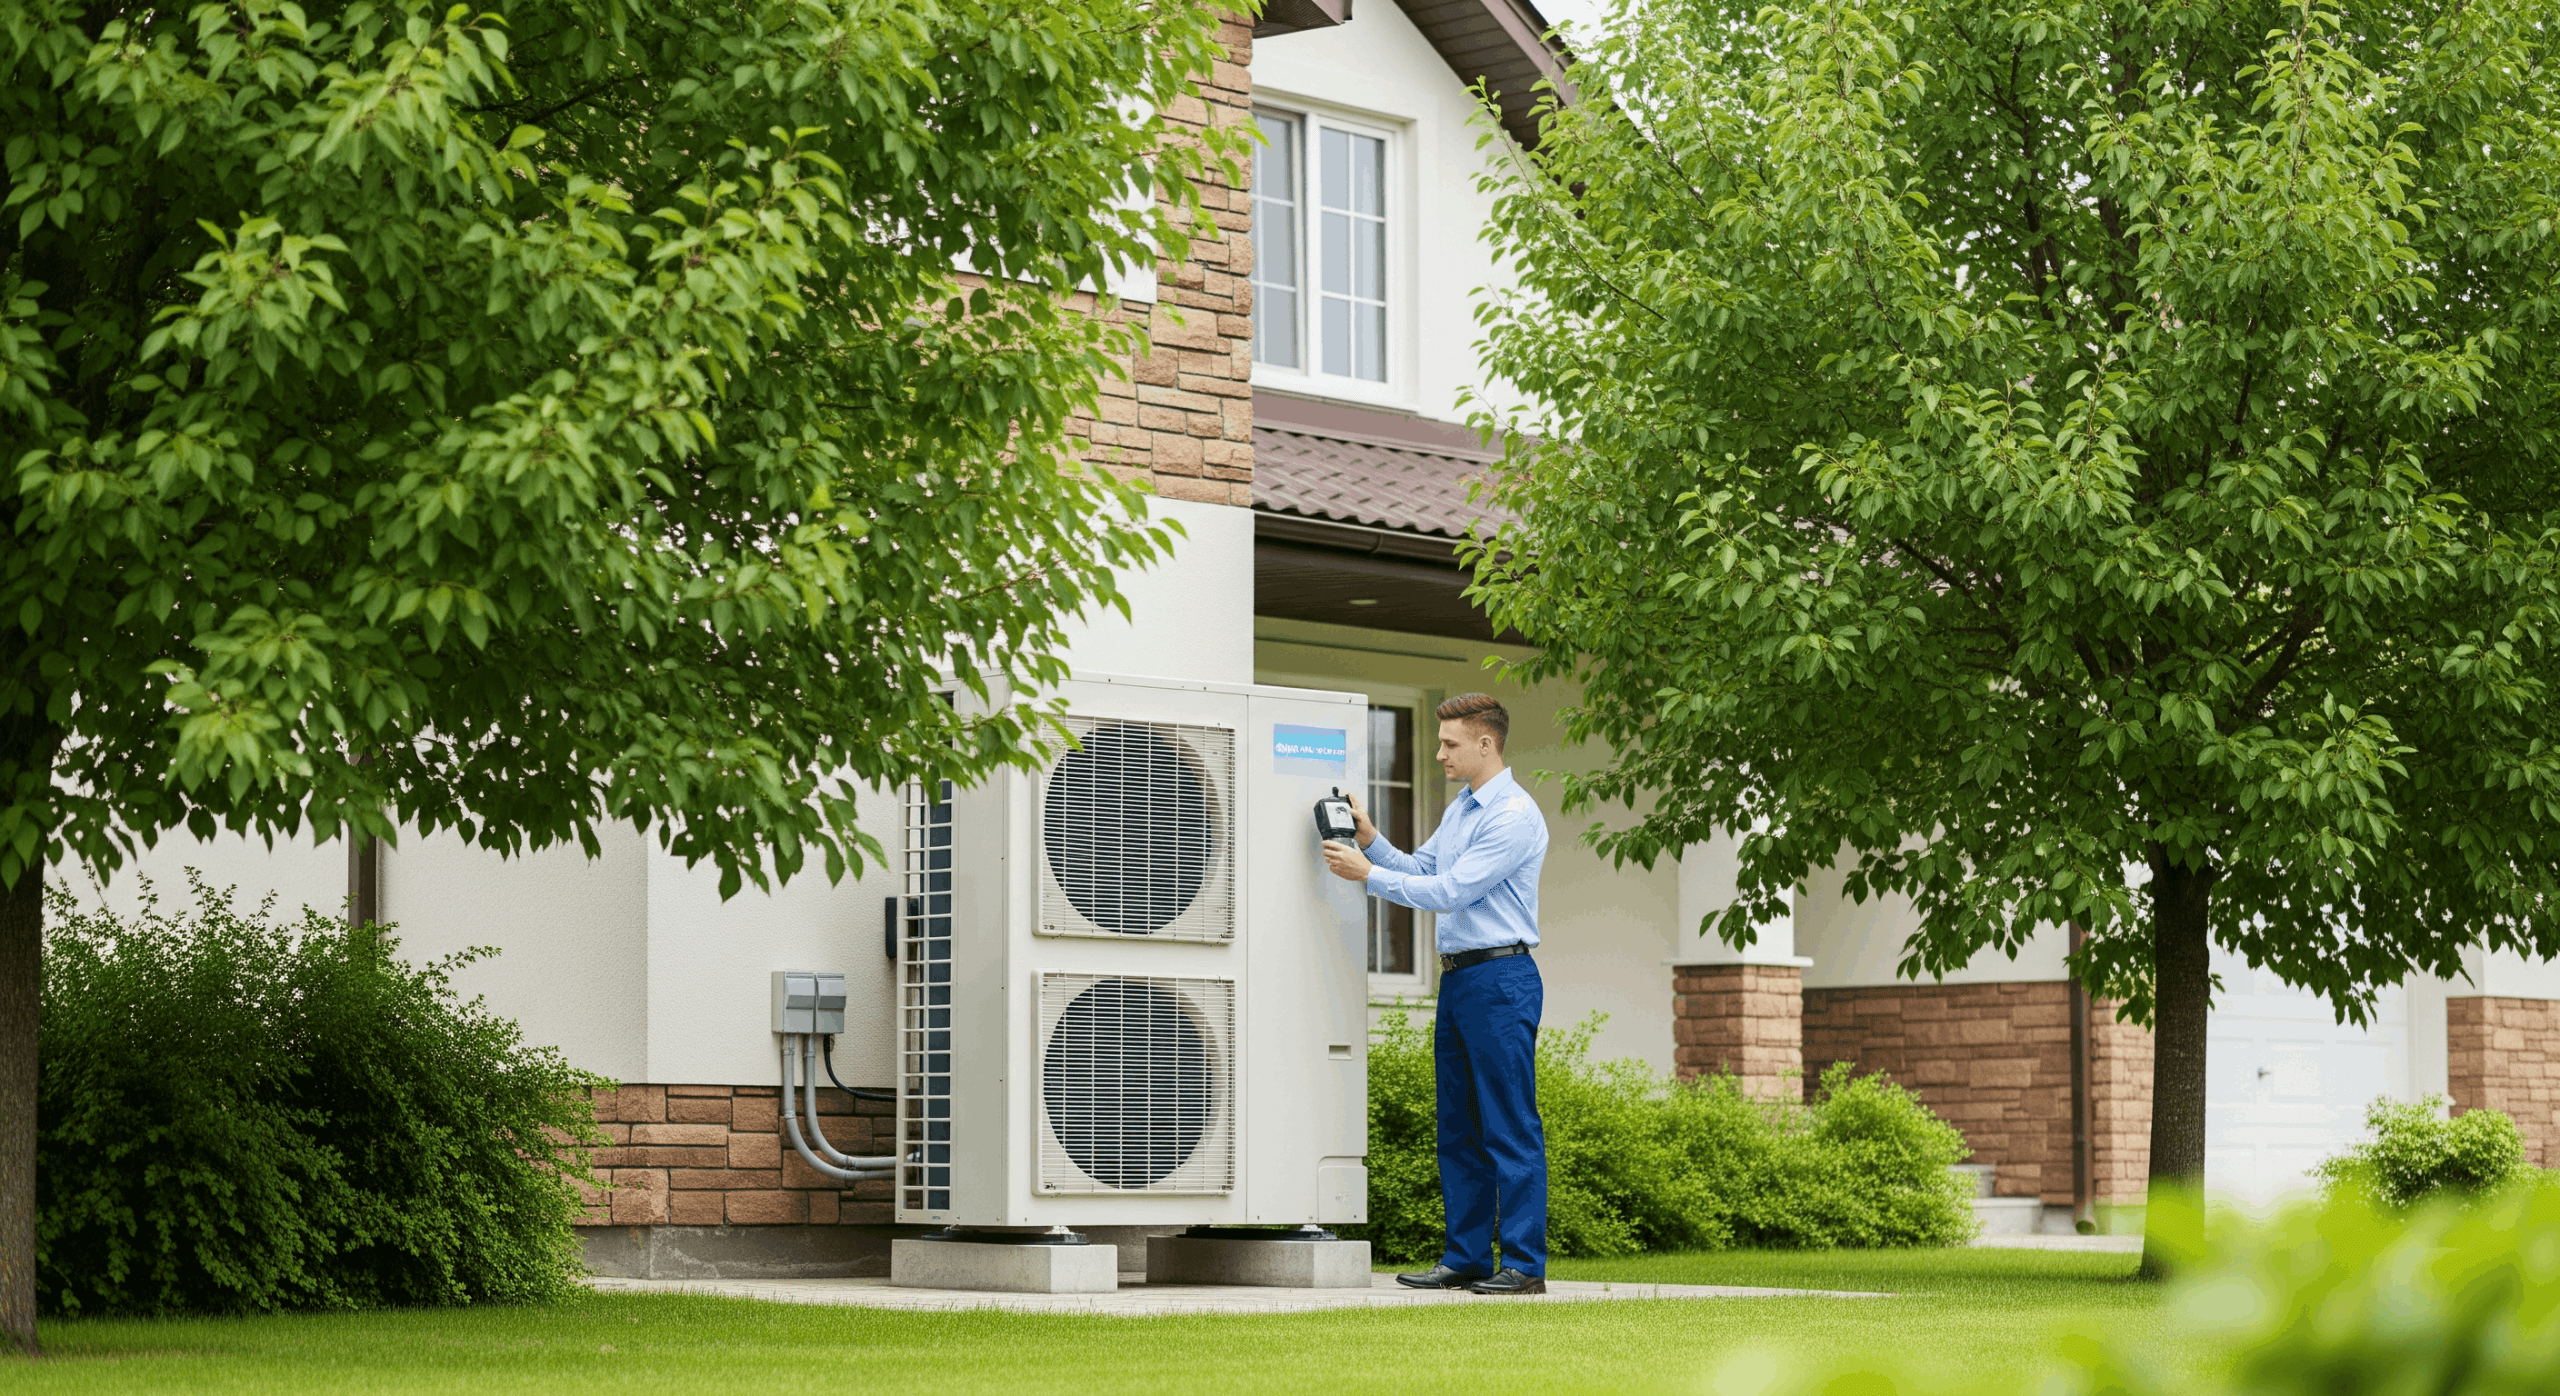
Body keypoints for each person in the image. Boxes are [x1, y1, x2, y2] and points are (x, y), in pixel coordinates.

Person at [1322, 692, 1550, 1295]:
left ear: (1485, 743)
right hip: (1459, 979)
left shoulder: (1513, 816)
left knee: (1509, 1124)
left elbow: (1452, 891)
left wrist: (1367, 876)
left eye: (1450, 744)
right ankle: (1468, 1257)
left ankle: (1525, 1267)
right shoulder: (1462, 809)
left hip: (1502, 979)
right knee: (1458, 1126)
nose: (1441, 753)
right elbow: (1424, 870)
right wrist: (1370, 840)